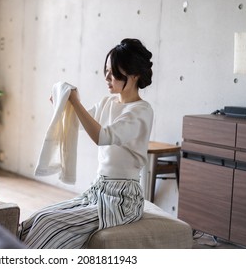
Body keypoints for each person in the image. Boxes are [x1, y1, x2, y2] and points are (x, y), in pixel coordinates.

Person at [18, 38, 154, 249]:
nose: (107, 77)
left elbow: (103, 136)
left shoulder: (141, 111)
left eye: (114, 72)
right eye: (106, 70)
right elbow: (78, 122)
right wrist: (62, 103)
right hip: (98, 191)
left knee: (50, 224)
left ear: (134, 74)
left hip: (122, 199)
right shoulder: (107, 102)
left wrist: (74, 102)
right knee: (37, 218)